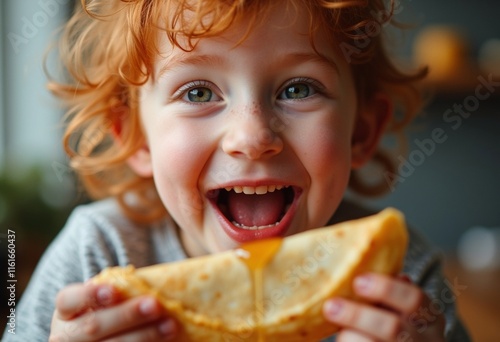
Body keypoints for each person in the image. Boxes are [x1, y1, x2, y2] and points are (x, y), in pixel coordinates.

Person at [4, 0, 470, 341]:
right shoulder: (94, 257)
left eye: (298, 88)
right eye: (198, 93)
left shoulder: (396, 276)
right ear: (135, 138)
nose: (251, 137)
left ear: (362, 132)